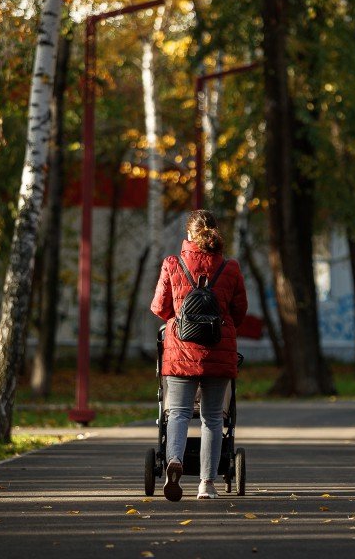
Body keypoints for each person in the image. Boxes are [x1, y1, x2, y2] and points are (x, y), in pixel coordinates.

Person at [150, 209, 248, 501]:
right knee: (213, 419)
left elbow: (159, 308)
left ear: (189, 234)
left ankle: (174, 460)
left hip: (181, 352)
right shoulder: (230, 267)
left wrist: (182, 318)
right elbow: (239, 311)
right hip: (219, 352)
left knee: (178, 413)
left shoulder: (172, 263)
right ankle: (207, 484)